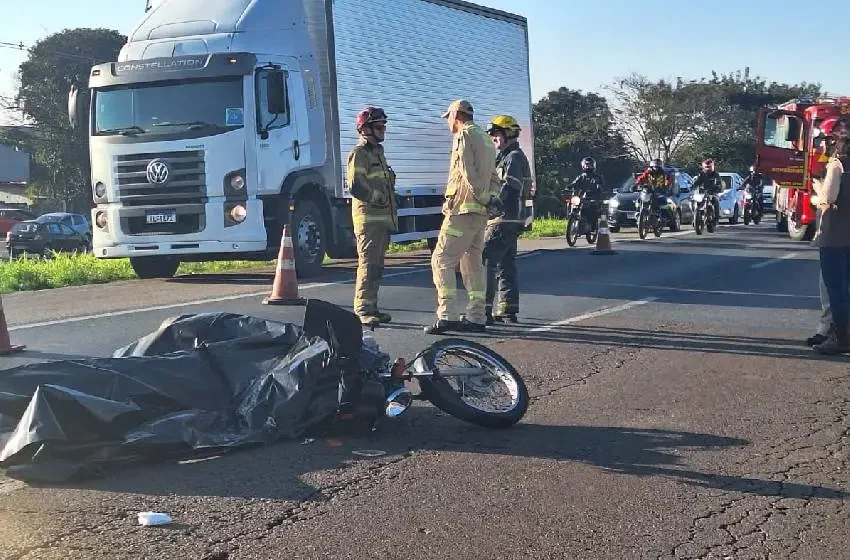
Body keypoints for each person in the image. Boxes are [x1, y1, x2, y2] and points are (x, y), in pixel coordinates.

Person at [425, 99, 496, 335]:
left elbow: (467, 172)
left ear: (456, 115)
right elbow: (494, 177)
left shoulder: (464, 136)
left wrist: (481, 197)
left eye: (449, 118)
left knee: (441, 260)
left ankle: (447, 315)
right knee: (472, 263)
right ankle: (477, 316)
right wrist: (491, 199)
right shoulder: (486, 139)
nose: (448, 123)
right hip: (480, 215)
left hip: (462, 211)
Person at [346, 106, 397, 327]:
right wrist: (374, 195)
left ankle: (372, 307)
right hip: (369, 220)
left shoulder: (378, 152)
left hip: (382, 219)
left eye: (384, 126)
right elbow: (356, 186)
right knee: (368, 264)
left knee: (377, 265)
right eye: (378, 126)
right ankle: (363, 310)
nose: (383, 129)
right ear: (365, 129)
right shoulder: (360, 153)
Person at [483, 115, 532, 325]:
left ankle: (482, 311)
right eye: (492, 135)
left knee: (485, 260)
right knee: (506, 265)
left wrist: (492, 207)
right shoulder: (509, 156)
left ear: (508, 133)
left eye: (496, 134)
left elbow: (510, 188)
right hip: (514, 220)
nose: (494, 138)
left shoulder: (513, 157)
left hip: (503, 219)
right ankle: (508, 309)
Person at [811, 129, 850, 354]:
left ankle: (840, 337)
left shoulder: (837, 165)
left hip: (835, 237)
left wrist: (817, 190)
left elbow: (828, 197)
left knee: (836, 290)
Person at [565, 156, 608, 229]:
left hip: (593, 197)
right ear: (583, 165)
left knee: (592, 209)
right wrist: (568, 187)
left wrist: (599, 187)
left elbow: (602, 186)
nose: (588, 166)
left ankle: (593, 227)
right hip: (581, 197)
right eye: (586, 164)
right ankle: (571, 218)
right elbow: (574, 183)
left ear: (593, 165)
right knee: (571, 202)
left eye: (590, 165)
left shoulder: (597, 177)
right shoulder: (581, 177)